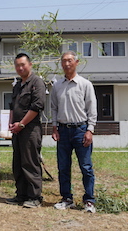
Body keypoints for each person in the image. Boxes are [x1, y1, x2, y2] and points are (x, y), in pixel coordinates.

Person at [51, 51, 97, 213]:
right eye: (63, 61)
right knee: (63, 167)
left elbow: (92, 109)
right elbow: (54, 108)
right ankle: (66, 198)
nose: (66, 64)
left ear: (77, 62)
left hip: (81, 130)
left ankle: (89, 200)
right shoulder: (57, 86)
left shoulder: (85, 84)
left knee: (86, 167)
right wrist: (54, 127)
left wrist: (90, 130)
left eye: (70, 60)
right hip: (63, 131)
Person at [6, 53, 46, 208]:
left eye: (23, 64)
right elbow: (12, 107)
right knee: (18, 163)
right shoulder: (17, 85)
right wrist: (11, 125)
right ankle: (21, 194)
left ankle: (35, 197)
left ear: (30, 64)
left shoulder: (37, 82)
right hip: (17, 130)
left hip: (30, 130)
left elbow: (37, 107)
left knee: (30, 163)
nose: (20, 68)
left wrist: (21, 124)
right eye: (17, 65)